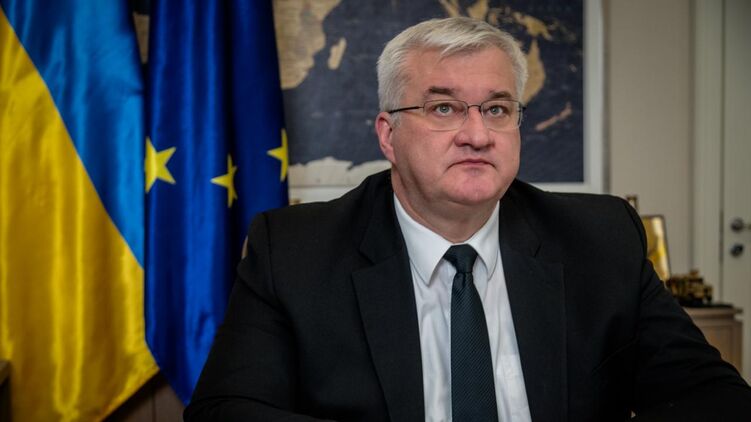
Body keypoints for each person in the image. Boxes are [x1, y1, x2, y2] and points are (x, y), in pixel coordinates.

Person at [184, 17, 751, 421]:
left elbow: (715, 397)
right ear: (388, 135)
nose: (477, 135)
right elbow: (224, 410)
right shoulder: (294, 251)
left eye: (497, 109)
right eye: (444, 108)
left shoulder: (599, 239)